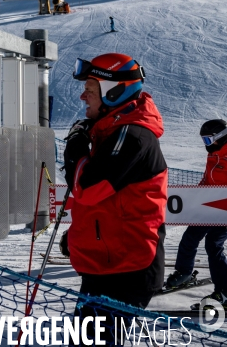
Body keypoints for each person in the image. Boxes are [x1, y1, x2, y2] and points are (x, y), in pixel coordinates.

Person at [62, 52, 167, 344]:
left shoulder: (132, 135)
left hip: (126, 270)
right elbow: (112, 202)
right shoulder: (109, 131)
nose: (84, 96)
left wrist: (75, 146)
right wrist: (77, 232)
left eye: (91, 90)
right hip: (105, 263)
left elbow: (88, 187)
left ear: (114, 92)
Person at [166, 119, 227, 309]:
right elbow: (207, 181)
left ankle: (225, 292)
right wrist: (194, 198)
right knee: (190, 236)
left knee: (213, 244)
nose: (205, 146)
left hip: (224, 211)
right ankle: (184, 273)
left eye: (208, 141)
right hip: (208, 207)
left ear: (220, 137)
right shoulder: (214, 155)